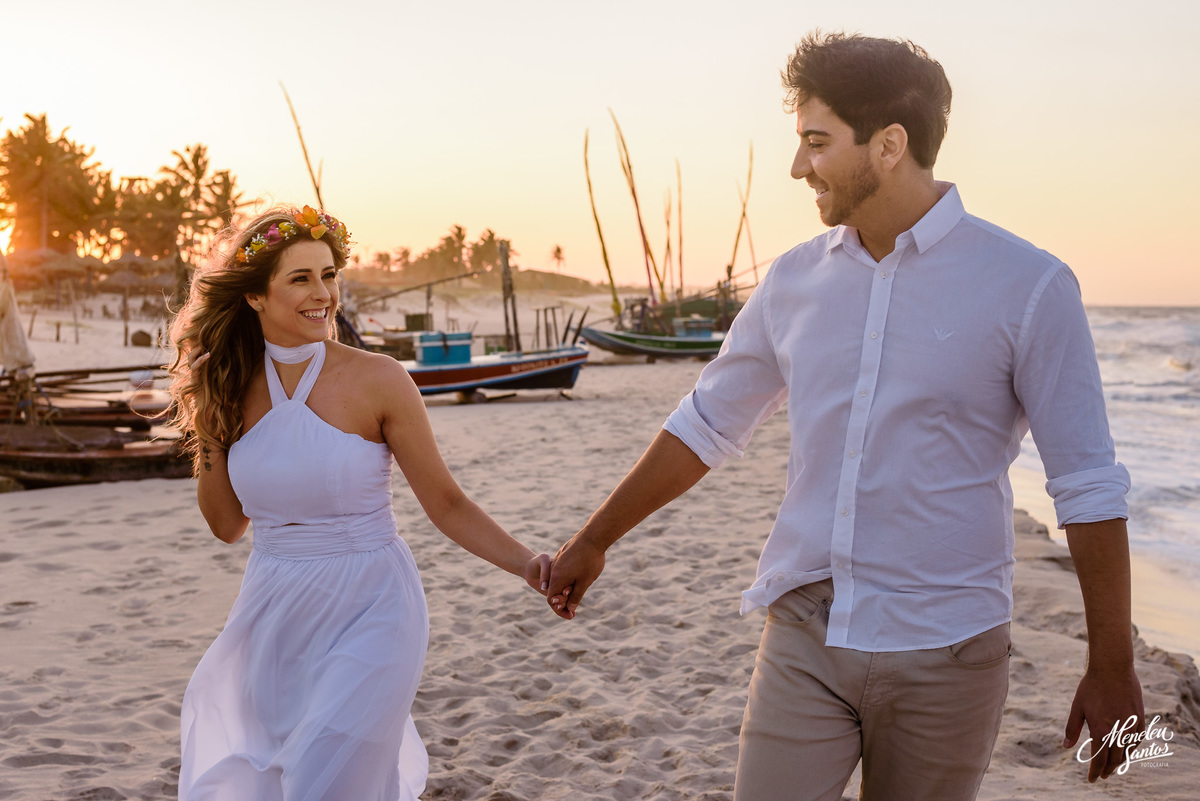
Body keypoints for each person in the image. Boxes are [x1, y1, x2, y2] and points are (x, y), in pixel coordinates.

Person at [546, 32, 1144, 800]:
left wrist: (1112, 664)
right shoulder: (794, 282)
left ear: (889, 145)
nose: (799, 167)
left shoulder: (1029, 286)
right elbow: (706, 423)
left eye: (817, 142)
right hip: (805, 633)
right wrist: (594, 538)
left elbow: (1086, 483)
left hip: (949, 649)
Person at [168, 204, 551, 801]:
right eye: (300, 278)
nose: (323, 294)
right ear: (254, 296)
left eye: (329, 275)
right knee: (273, 780)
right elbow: (226, 525)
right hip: (273, 609)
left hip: (374, 602)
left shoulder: (381, 379)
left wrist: (527, 564)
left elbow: (446, 503)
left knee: (327, 780)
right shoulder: (228, 385)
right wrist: (207, 421)